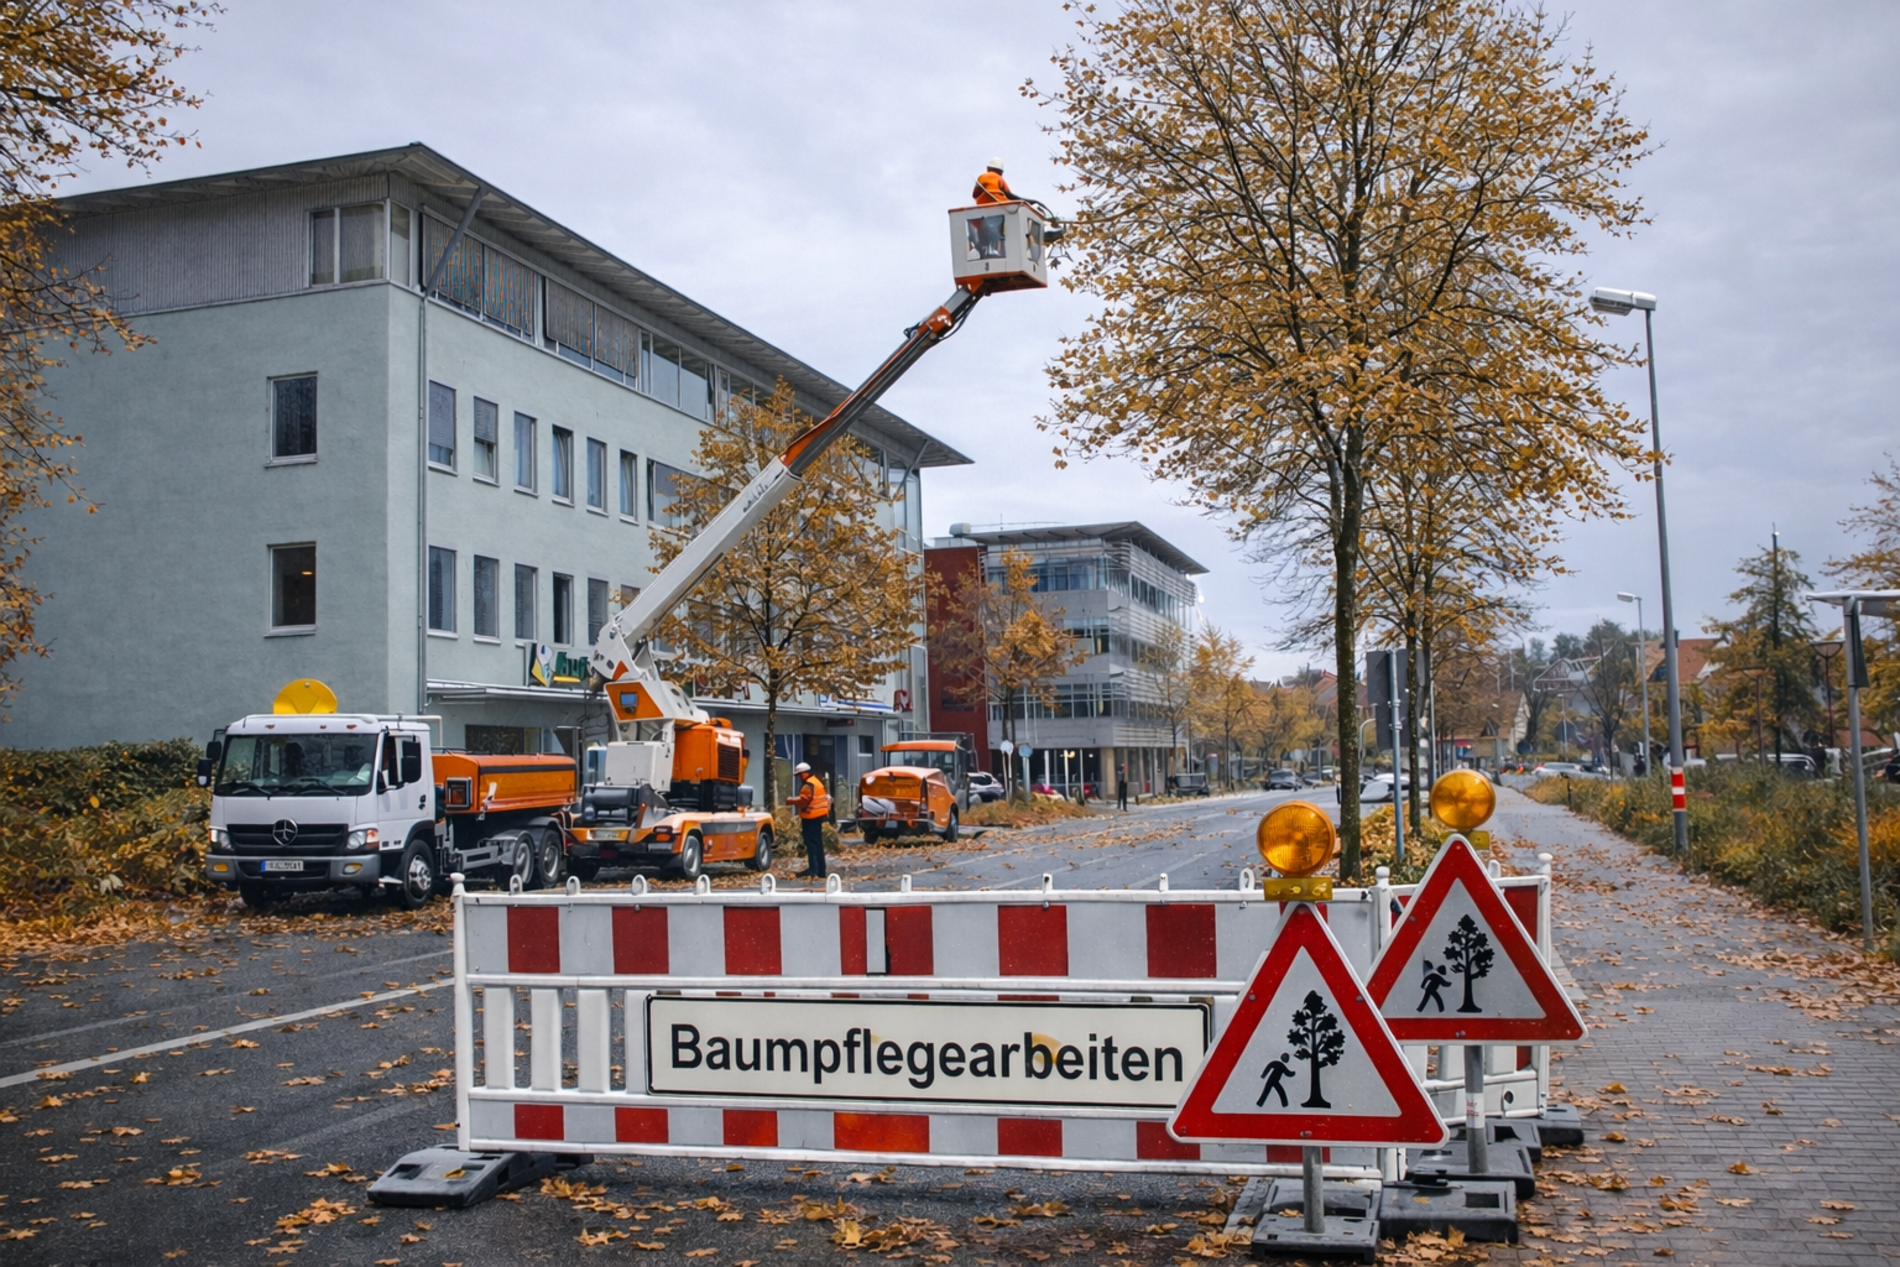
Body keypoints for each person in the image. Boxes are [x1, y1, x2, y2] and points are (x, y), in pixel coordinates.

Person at [787, 761, 831, 879]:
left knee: (811, 844)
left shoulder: (808, 785)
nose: (799, 778)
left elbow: (804, 800)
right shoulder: (817, 782)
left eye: (799, 775)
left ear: (804, 773)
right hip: (818, 816)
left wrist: (790, 801)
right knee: (818, 844)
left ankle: (813, 870)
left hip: (810, 817)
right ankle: (820, 870)